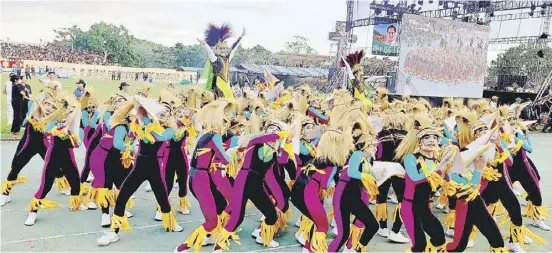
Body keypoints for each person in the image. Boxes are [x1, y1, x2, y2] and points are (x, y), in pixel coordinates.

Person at [197, 24, 245, 99]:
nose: (222, 50)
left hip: (227, 87)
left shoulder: (227, 59)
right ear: (217, 50)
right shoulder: (215, 59)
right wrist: (205, 44)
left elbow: (234, 48)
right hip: (217, 88)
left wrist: (241, 37)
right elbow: (210, 52)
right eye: (220, 48)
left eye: (224, 48)